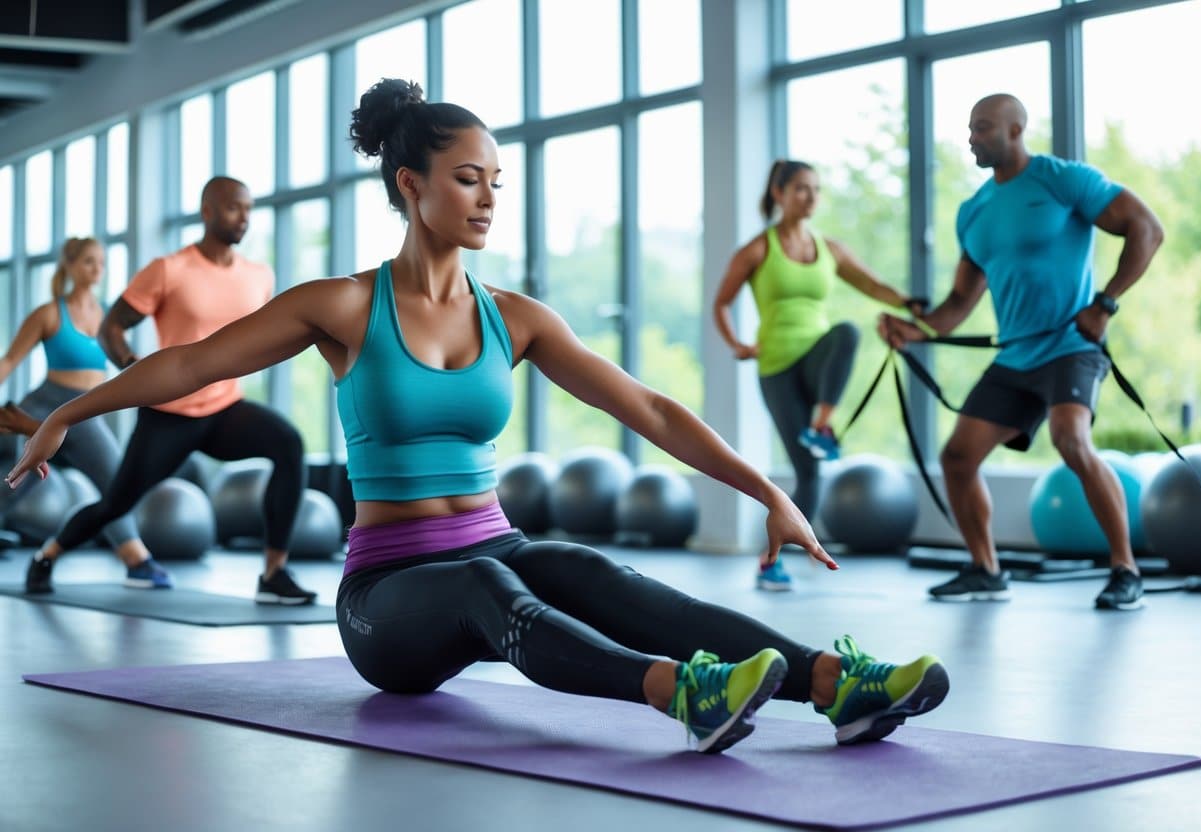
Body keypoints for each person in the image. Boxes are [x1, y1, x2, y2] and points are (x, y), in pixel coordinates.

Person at [7, 79, 949, 753]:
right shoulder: (343, 306)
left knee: (582, 567)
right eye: (467, 178)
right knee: (483, 585)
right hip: (387, 602)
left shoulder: (516, 318)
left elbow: (651, 408)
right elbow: (188, 361)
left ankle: (832, 685)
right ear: (410, 185)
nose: (489, 196)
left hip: (494, 545)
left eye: (496, 178)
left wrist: (765, 492)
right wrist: (65, 414)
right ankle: (682, 696)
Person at [878, 93, 1164, 611]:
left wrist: (1104, 304)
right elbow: (959, 303)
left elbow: (1147, 228)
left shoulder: (1063, 180)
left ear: (1016, 130)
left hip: (1071, 346)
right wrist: (913, 330)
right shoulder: (973, 212)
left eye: (983, 127)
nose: (972, 137)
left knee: (1070, 439)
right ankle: (986, 570)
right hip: (1015, 358)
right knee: (957, 457)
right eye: (970, 128)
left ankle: (1126, 570)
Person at [20, 178, 317, 605]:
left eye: (249, 209)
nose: (244, 218)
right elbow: (111, 328)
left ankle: (274, 573)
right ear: (207, 211)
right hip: (169, 413)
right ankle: (47, 555)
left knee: (288, 443)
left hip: (224, 407)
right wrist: (133, 368)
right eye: (234, 208)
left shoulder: (259, 276)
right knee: (116, 503)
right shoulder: (169, 270)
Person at [713, 159, 922, 591]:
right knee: (808, 472)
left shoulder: (830, 249)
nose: (811, 197)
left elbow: (872, 285)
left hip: (816, 357)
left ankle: (821, 425)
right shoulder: (759, 249)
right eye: (802, 188)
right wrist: (738, 344)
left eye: (816, 189)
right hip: (776, 367)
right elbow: (721, 303)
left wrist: (909, 304)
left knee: (846, 332)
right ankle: (771, 562)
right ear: (779, 193)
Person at [0, 238, 172, 589]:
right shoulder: (49, 314)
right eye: (89, 261)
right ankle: (136, 558)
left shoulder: (109, 317)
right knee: (15, 485)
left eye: (102, 263)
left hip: (88, 409)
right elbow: (10, 360)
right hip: (46, 405)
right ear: (70, 265)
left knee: (115, 481)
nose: (97, 269)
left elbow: (126, 363)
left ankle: (135, 559)